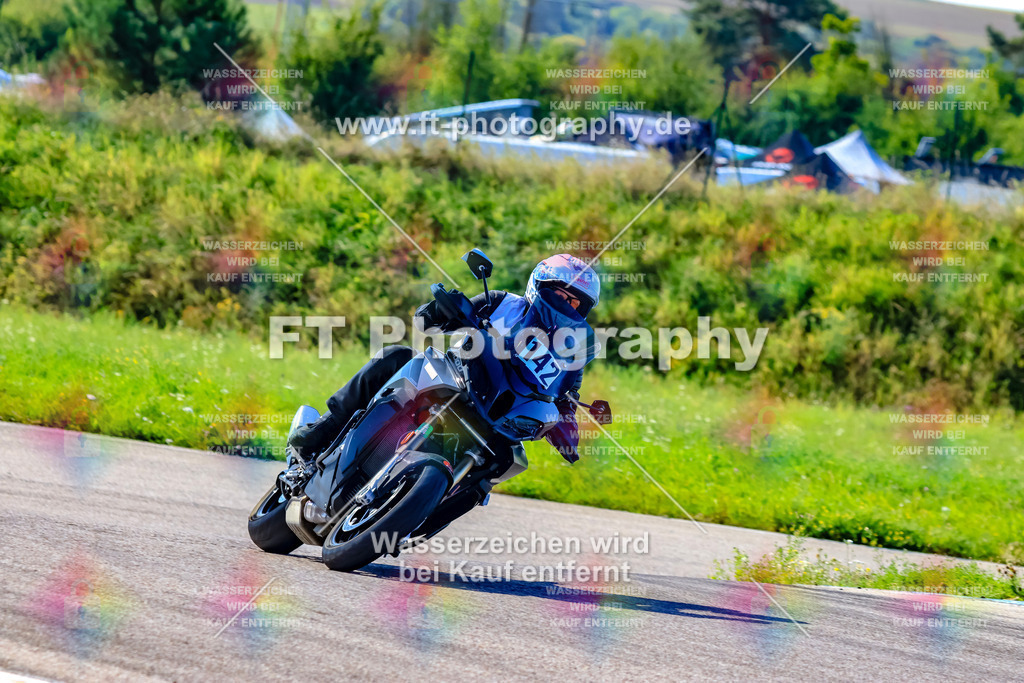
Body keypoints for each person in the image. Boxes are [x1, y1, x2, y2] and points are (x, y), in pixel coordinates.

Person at [287, 254, 600, 464]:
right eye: (560, 295)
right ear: (539, 286)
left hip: (499, 416)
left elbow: (566, 400)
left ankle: (427, 511)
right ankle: (322, 432)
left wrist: (567, 429)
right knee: (396, 356)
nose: (566, 305)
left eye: (575, 302)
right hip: (455, 377)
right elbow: (426, 321)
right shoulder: (504, 303)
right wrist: (444, 308)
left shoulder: (570, 356)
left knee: (508, 459)